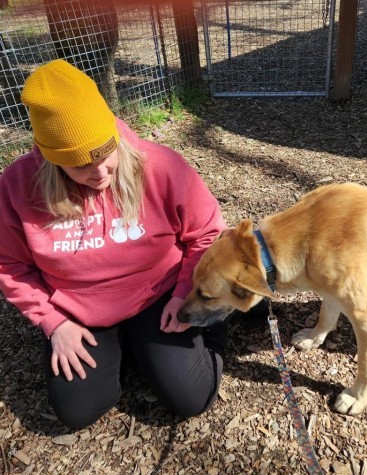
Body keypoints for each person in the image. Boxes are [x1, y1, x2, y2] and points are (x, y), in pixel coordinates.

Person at [0, 59, 228, 430]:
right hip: (78, 309)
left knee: (192, 397)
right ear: (52, 161)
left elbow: (206, 234)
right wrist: (54, 323)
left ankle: (216, 318)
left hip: (160, 295)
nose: (101, 172)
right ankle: (132, 346)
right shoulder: (15, 187)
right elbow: (10, 265)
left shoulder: (162, 165)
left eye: (106, 152)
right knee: (78, 411)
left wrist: (185, 293)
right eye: (79, 166)